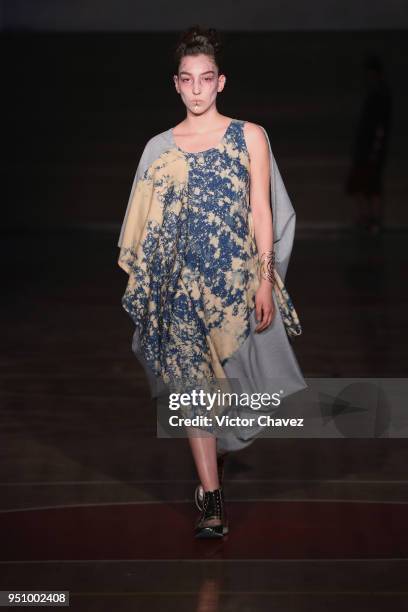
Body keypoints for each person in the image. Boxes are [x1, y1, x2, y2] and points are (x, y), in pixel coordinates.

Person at [117, 25, 307, 538]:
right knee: (193, 388)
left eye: (206, 79)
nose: (196, 89)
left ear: (220, 82)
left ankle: (213, 471)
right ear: (175, 85)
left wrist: (265, 281)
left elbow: (262, 213)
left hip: (232, 286)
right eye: (187, 80)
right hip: (178, 291)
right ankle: (214, 502)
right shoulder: (157, 148)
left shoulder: (250, 136)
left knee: (238, 390)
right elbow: (143, 225)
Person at [345, 54, 392, 236]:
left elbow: (381, 126)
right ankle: (366, 219)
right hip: (366, 150)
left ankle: (373, 220)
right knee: (361, 186)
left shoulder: (381, 95)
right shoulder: (375, 93)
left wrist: (375, 150)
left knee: (371, 187)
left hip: (371, 151)